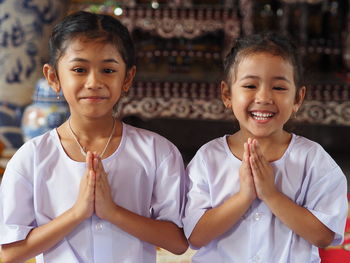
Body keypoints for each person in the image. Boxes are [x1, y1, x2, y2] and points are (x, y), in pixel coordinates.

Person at [0, 11, 188, 263]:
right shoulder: (32, 157)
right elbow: (10, 252)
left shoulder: (158, 152)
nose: (94, 82)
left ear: (127, 78)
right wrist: (77, 213)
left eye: (108, 70)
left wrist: (112, 211)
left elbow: (177, 242)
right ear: (53, 77)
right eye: (79, 69)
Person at [182, 32, 348, 263]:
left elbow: (324, 235)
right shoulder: (209, 158)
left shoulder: (313, 159)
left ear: (298, 98)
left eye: (279, 88)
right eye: (250, 85)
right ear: (227, 94)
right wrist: (244, 196)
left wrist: (271, 194)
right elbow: (195, 236)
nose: (263, 97)